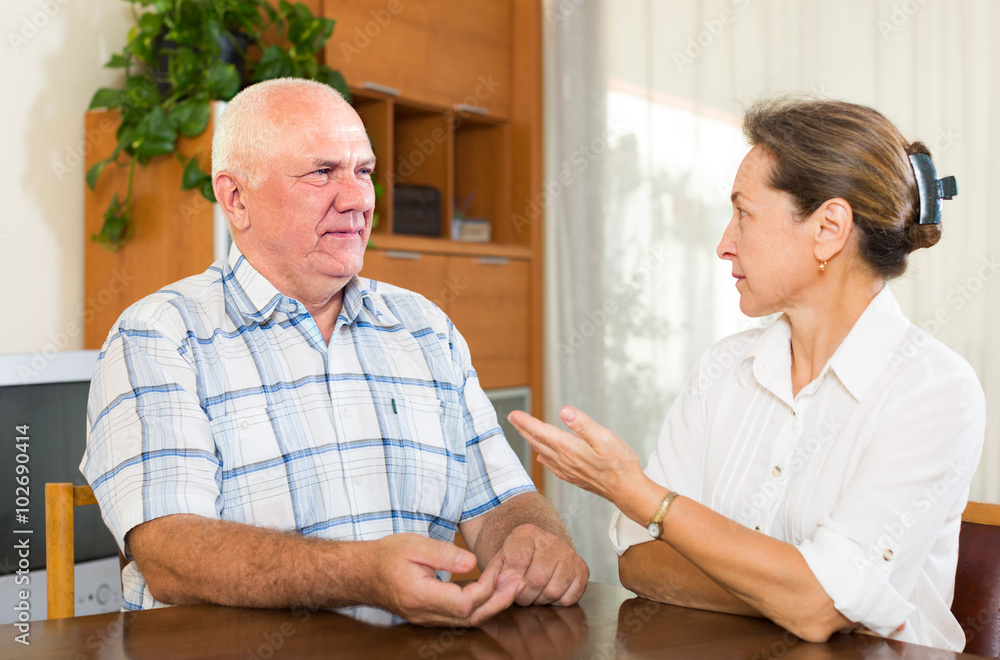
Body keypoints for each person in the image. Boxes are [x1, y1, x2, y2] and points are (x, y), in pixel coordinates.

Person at [81, 77, 588, 626]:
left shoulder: (424, 329)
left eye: (364, 172)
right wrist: (364, 573)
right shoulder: (159, 335)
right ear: (235, 197)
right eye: (322, 172)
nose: (358, 199)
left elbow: (500, 503)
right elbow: (170, 553)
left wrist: (532, 545)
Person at [508, 98, 984, 651]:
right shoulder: (722, 369)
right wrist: (795, 593)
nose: (723, 243)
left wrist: (642, 495)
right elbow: (639, 560)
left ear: (829, 229)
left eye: (744, 213)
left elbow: (817, 603)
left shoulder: (933, 391)